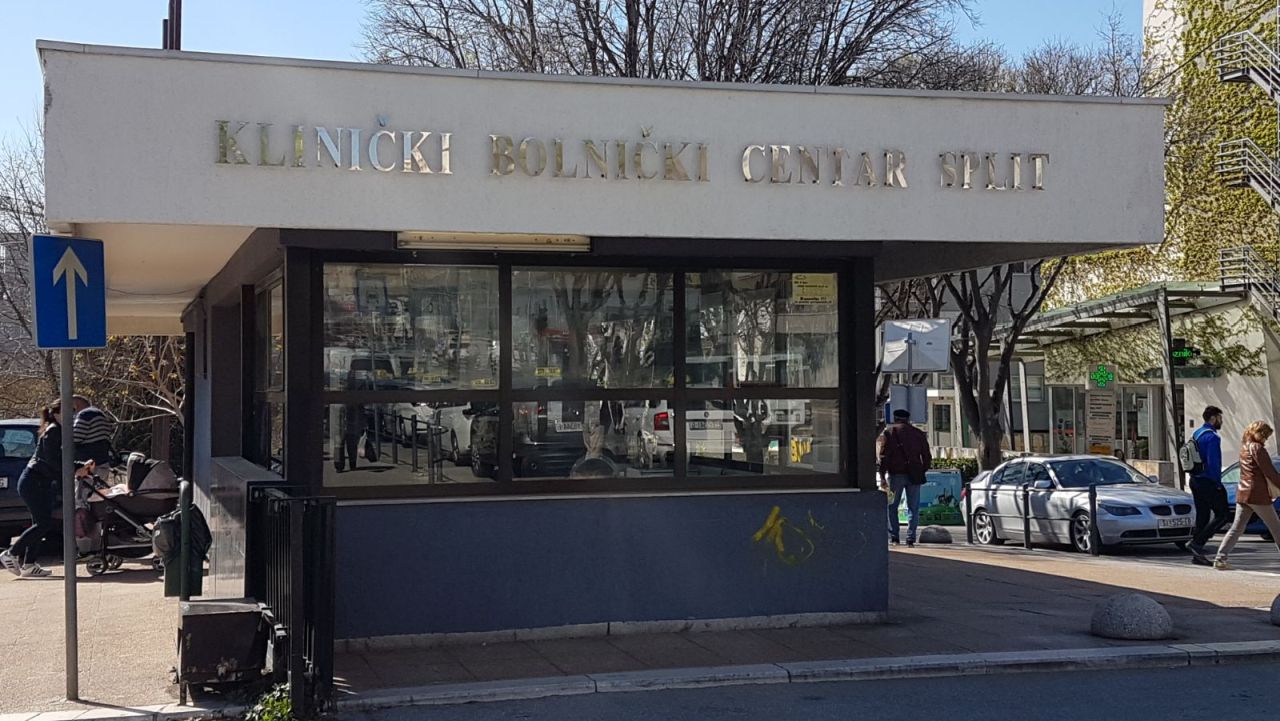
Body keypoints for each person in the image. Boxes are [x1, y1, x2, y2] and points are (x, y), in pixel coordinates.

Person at [0, 400, 93, 578]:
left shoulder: (58, 431)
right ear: (56, 413)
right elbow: (53, 462)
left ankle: (29, 565)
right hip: (33, 483)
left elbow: (61, 460)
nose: (72, 415)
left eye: (74, 411)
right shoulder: (53, 431)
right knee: (43, 524)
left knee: (40, 523)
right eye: (69, 411)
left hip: (40, 483)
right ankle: (11, 553)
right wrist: (76, 469)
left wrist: (80, 466)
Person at [1211, 421, 1280, 570]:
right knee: (1276, 527)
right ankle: (1220, 559)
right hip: (1257, 494)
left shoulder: (1244, 448)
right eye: (1266, 436)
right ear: (1260, 434)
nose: (1266, 440)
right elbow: (1269, 471)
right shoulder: (1258, 448)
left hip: (1243, 493)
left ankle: (1220, 558)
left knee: (1236, 528)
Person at [879, 408, 932, 547]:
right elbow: (926, 455)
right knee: (913, 507)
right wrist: (921, 470)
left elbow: (884, 456)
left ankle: (894, 537)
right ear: (908, 419)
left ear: (895, 418)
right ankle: (910, 538)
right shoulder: (918, 433)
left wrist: (882, 475)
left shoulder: (889, 433)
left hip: (895, 475)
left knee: (892, 506)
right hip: (914, 476)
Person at [1187, 406, 1228, 566]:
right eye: (1220, 418)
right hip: (1208, 480)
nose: (1221, 421)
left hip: (1195, 479)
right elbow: (1214, 463)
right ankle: (1197, 543)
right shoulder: (1212, 437)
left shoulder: (1197, 433)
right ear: (1213, 418)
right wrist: (1217, 484)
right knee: (1222, 515)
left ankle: (1196, 554)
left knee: (1202, 516)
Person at [72, 394, 115, 485]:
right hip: (102, 462)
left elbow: (74, 439)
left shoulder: (84, 415)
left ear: (75, 406)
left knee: (83, 493)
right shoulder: (101, 414)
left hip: (87, 466)